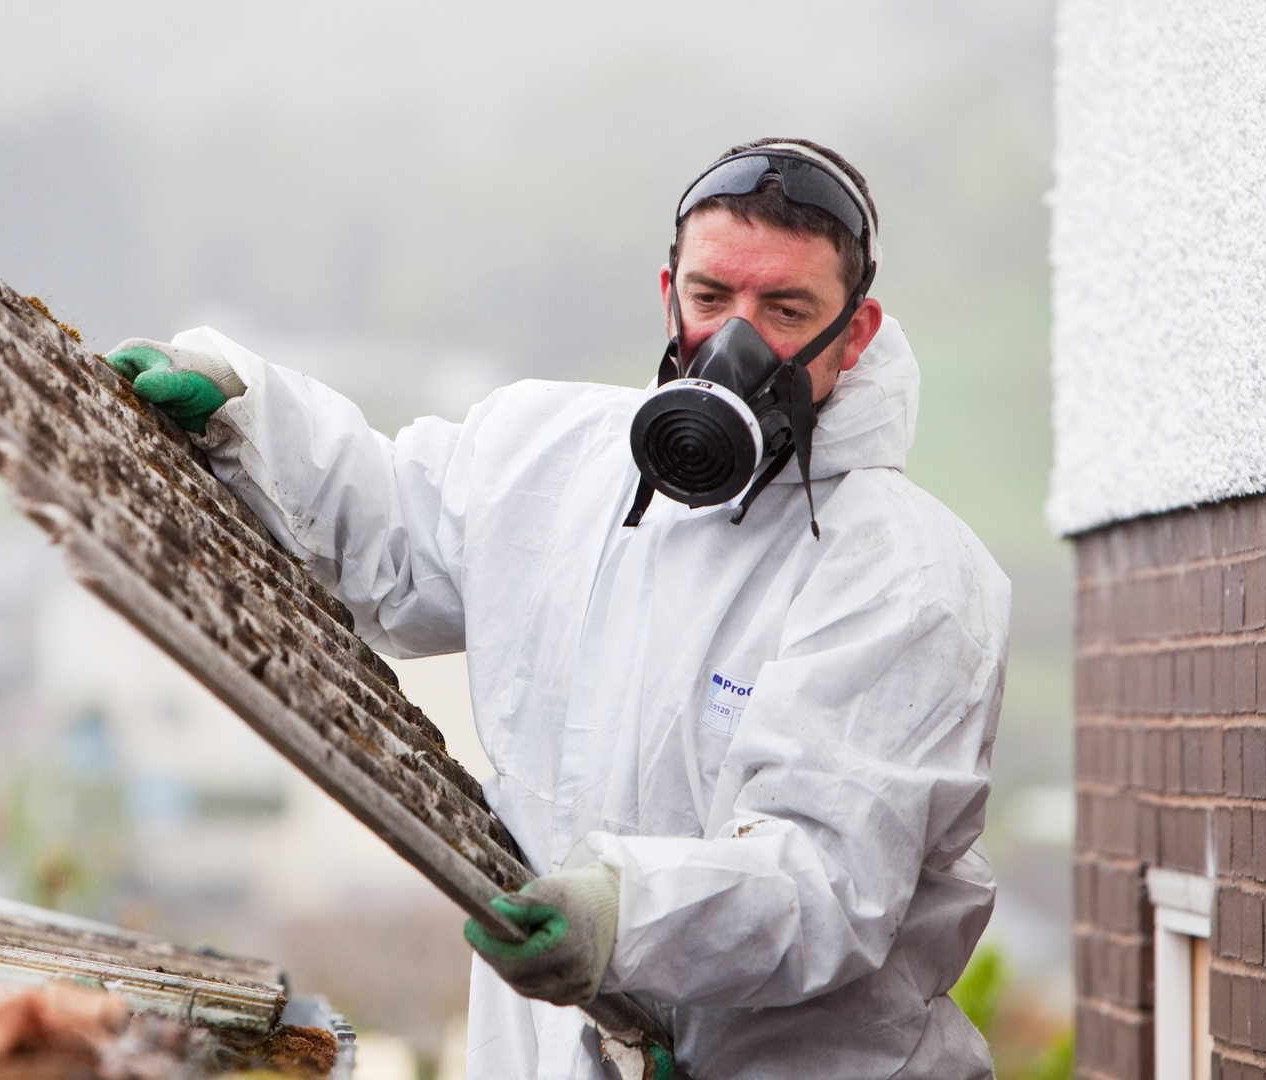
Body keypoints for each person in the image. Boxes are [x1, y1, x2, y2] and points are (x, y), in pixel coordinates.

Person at [105, 138, 1010, 1079]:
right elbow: (384, 525)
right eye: (711, 301)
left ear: (854, 334)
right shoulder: (552, 457)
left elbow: (826, 880)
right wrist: (240, 409)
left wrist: (624, 916)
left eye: (787, 311)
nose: (738, 345)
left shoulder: (907, 577)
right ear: (669, 293)